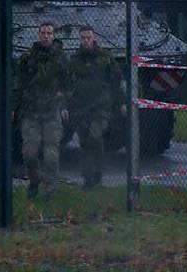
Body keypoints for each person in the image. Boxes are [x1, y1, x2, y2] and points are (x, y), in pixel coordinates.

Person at [16, 22, 70, 199]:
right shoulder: (28, 57)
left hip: (52, 111)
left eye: (49, 33)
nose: (46, 36)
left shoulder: (61, 59)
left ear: (53, 36)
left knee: (51, 155)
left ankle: (50, 190)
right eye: (43, 33)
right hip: (31, 111)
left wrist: (63, 104)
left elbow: (69, 84)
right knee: (29, 153)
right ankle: (34, 179)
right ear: (38, 34)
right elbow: (18, 83)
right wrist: (14, 107)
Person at [69, 26, 126, 189]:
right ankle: (88, 178)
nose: (86, 40)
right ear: (80, 39)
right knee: (84, 142)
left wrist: (121, 102)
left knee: (95, 136)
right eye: (83, 38)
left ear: (94, 38)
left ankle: (98, 174)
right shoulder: (75, 59)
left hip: (101, 106)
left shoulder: (105, 57)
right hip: (81, 108)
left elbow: (116, 80)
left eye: (89, 37)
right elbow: (69, 84)